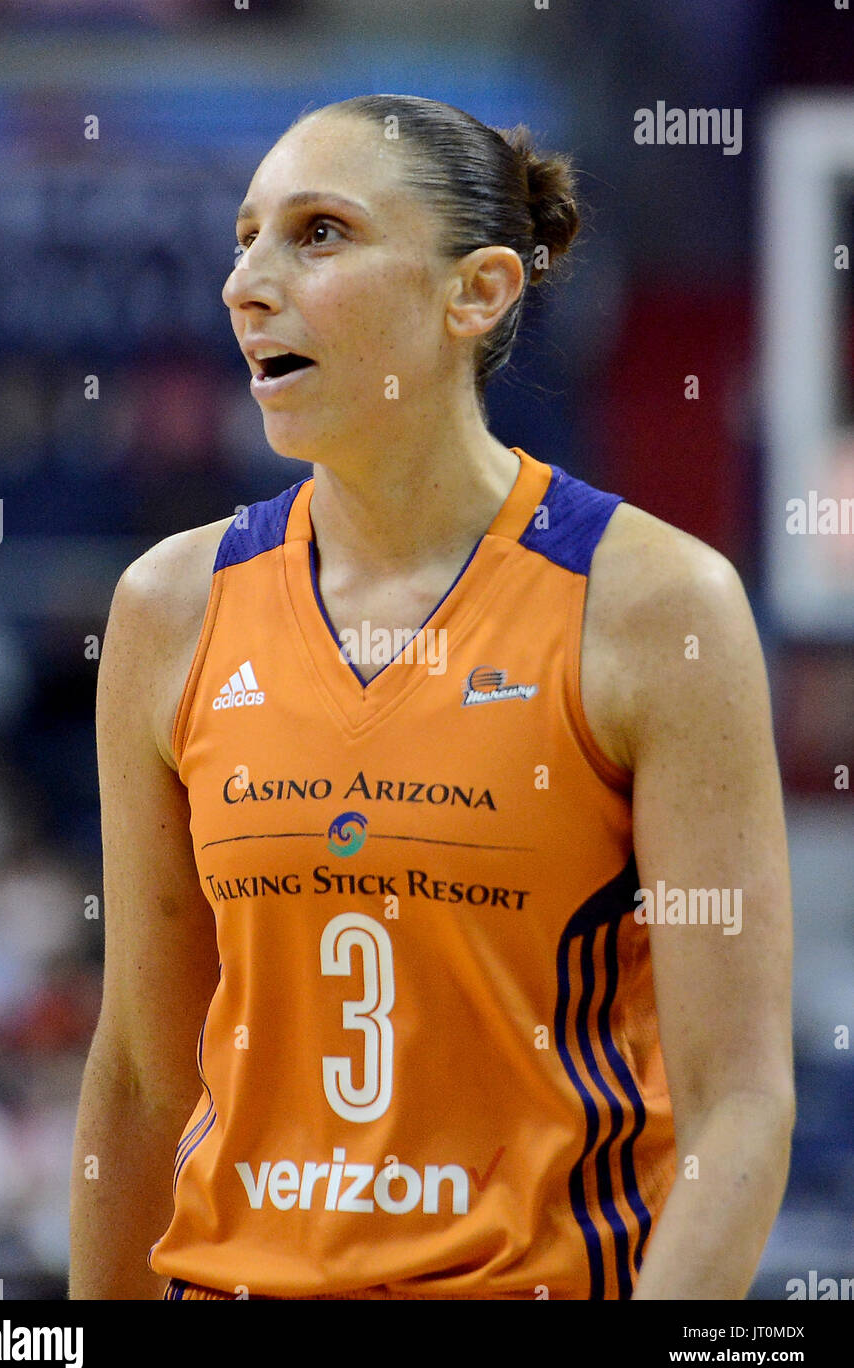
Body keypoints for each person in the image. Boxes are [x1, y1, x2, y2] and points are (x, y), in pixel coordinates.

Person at [68, 94, 794, 1301]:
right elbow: (145, 1079)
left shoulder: (658, 607)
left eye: (318, 234)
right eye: (245, 236)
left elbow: (742, 1105)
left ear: (480, 292)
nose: (246, 282)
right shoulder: (166, 607)